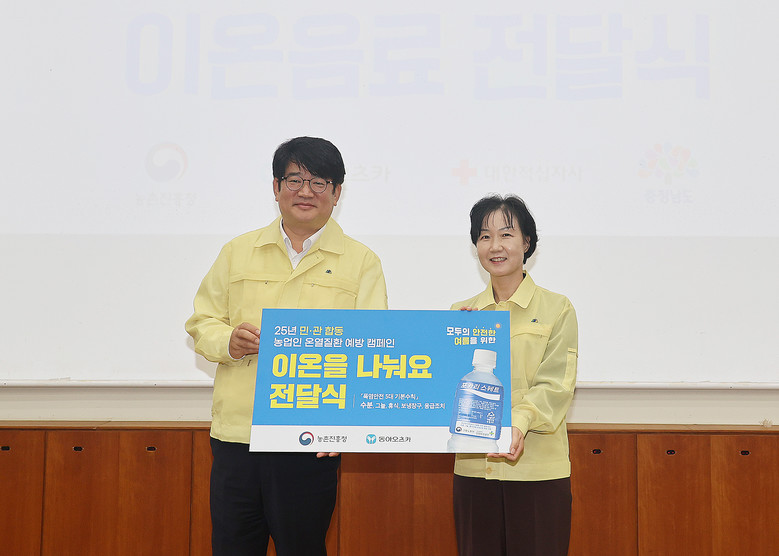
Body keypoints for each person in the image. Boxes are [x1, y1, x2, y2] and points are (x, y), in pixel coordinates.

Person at [185, 136, 388, 556]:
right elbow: (202, 321)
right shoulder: (237, 252)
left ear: (336, 192)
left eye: (319, 182)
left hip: (311, 437)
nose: (305, 192)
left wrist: (347, 426)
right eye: (294, 180)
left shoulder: (361, 262)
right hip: (239, 435)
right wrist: (229, 342)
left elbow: (373, 349)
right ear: (276, 187)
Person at [450, 194, 578, 556]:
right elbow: (449, 392)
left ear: (527, 242)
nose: (495, 246)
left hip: (537, 470)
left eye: (506, 234)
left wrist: (518, 424)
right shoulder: (461, 314)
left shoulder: (557, 308)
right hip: (474, 469)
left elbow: (555, 385)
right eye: (484, 236)